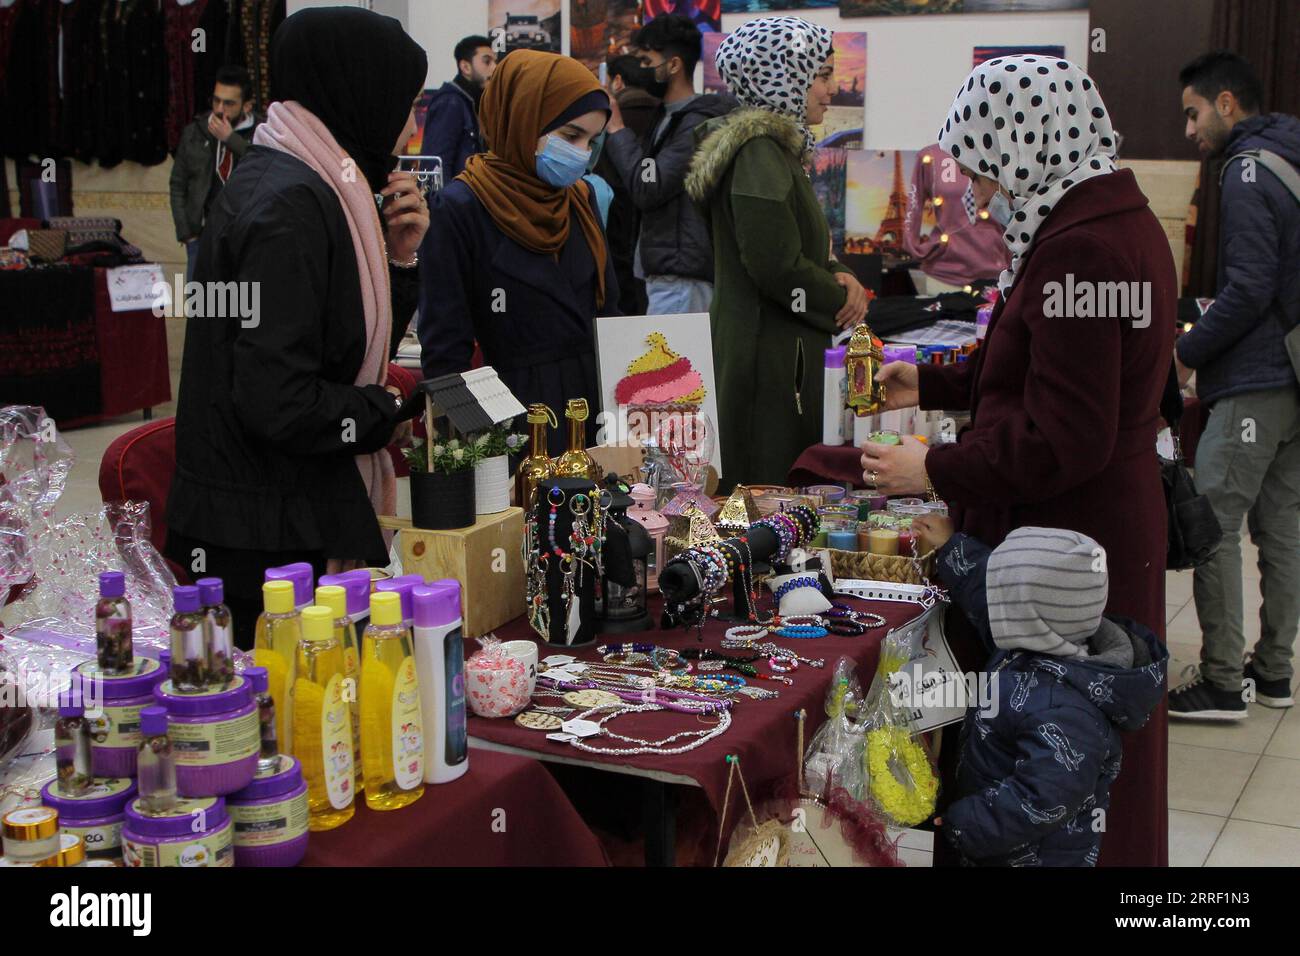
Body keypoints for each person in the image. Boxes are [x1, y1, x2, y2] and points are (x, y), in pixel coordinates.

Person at [862, 56, 1176, 867]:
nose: (973, 191)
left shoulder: (1083, 251)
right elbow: (1036, 360)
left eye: (979, 168)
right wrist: (929, 375)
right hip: (1091, 517)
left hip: (1072, 530)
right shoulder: (1096, 220)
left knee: (1058, 757)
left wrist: (935, 467)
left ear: (1024, 143)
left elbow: (1063, 438)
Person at [165, 8, 429, 648]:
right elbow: (278, 399)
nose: (413, 124)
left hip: (273, 510)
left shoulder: (306, 181)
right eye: (408, 103)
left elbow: (337, 350)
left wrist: (399, 258)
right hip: (264, 534)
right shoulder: (291, 205)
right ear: (361, 91)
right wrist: (389, 405)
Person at [911, 519, 1168, 867]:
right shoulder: (1038, 643)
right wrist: (952, 550)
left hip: (1033, 857)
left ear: (1024, 614)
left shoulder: (1064, 710)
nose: (994, 599)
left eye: (1001, 592)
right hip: (1000, 843)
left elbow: (1041, 799)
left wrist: (966, 823)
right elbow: (988, 603)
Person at [684, 16, 869, 490]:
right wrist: (841, 300)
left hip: (776, 349)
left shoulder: (775, 150)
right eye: (822, 74)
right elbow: (774, 267)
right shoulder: (759, 153)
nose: (831, 89)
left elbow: (806, 246)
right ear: (783, 76)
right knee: (763, 491)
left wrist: (840, 274)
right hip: (765, 356)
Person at [1170, 51, 1300, 719]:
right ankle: (1274, 671)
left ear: (1227, 104)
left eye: (1193, 113)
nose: (1189, 130)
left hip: (1254, 378)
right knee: (1282, 526)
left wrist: (1188, 351)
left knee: (1212, 524)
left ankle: (1223, 680)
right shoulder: (1291, 154)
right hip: (1294, 377)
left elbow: (1248, 286)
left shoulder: (1247, 171)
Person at [417, 50, 618, 453]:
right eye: (570, 136)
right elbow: (446, 353)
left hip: (595, 416)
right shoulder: (464, 206)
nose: (580, 153)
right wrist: (483, 454)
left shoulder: (578, 199)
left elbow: (611, 312)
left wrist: (627, 420)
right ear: (522, 119)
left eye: (591, 141)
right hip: (513, 421)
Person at [603, 15, 734, 315]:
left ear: (673, 65)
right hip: (664, 272)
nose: (642, 70)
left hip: (681, 277)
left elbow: (649, 186)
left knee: (669, 362)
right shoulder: (667, 116)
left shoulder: (696, 124)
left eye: (647, 61)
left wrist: (617, 129)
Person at [169, 66, 264, 282]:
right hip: (203, 237)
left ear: (247, 106)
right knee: (202, 309)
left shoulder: (263, 132)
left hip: (248, 236)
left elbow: (264, 167)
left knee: (245, 308)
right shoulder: (195, 132)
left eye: (229, 103)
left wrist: (231, 139)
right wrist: (187, 232)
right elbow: (178, 183)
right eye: (216, 101)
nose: (220, 109)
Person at [595, 54, 662, 315]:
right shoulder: (665, 117)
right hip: (657, 250)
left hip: (615, 235)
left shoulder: (607, 120)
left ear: (618, 82)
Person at [421, 35, 497, 180]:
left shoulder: (471, 102)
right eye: (487, 61)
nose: (494, 68)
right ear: (465, 67)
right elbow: (436, 164)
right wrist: (440, 201)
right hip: (452, 200)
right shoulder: (451, 102)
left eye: (495, 61)